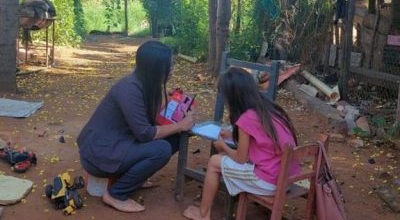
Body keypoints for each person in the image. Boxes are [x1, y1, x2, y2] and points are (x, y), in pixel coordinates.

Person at [77, 41, 195, 213]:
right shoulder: (129, 88)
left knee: (176, 138)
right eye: (169, 66)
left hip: (119, 143)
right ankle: (116, 194)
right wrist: (180, 125)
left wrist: (173, 103)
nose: (172, 69)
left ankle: (134, 178)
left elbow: (150, 119)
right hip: (100, 154)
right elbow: (145, 133)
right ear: (155, 69)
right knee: (162, 149)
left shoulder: (147, 84)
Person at [183, 67, 299, 220]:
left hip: (270, 182)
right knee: (224, 159)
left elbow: (240, 158)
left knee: (214, 162)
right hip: (288, 179)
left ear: (233, 96)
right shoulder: (268, 108)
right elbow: (261, 137)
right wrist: (233, 135)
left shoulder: (246, 118)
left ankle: (203, 214)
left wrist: (223, 146)